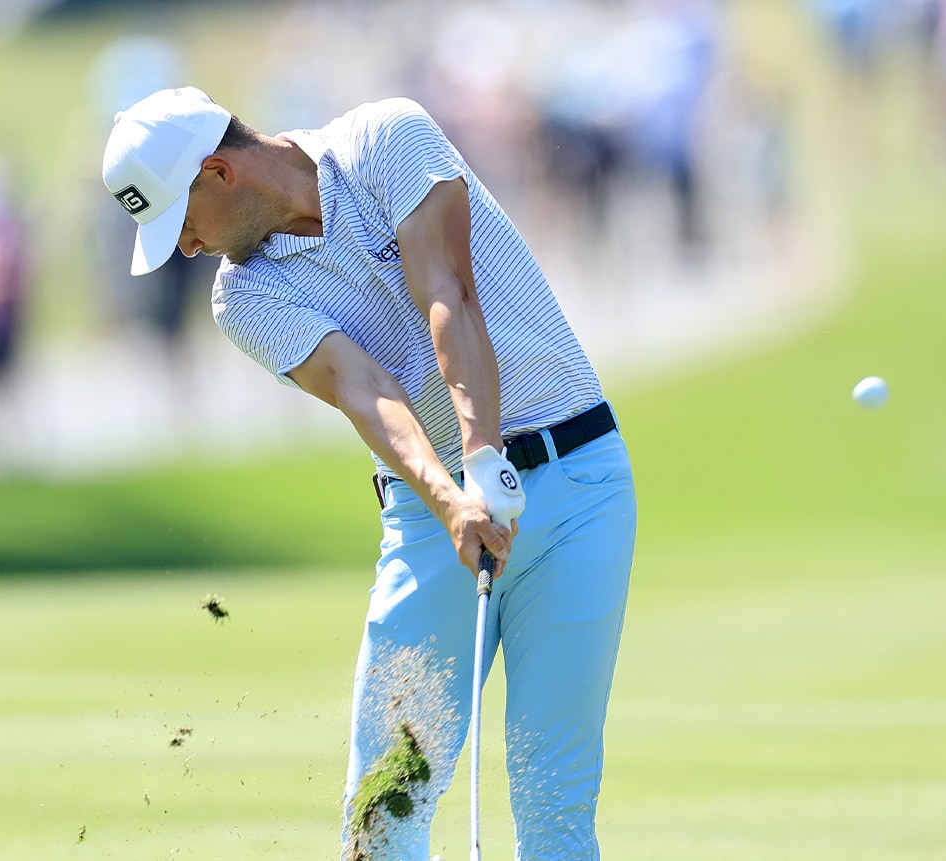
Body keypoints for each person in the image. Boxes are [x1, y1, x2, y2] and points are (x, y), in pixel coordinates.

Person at [102, 87, 637, 860]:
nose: (185, 250)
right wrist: (454, 497)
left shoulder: (387, 141)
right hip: (430, 519)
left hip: (579, 483)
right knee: (384, 811)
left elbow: (447, 294)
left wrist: (482, 454)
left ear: (218, 172)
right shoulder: (243, 297)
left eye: (181, 226)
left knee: (553, 797)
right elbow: (366, 389)